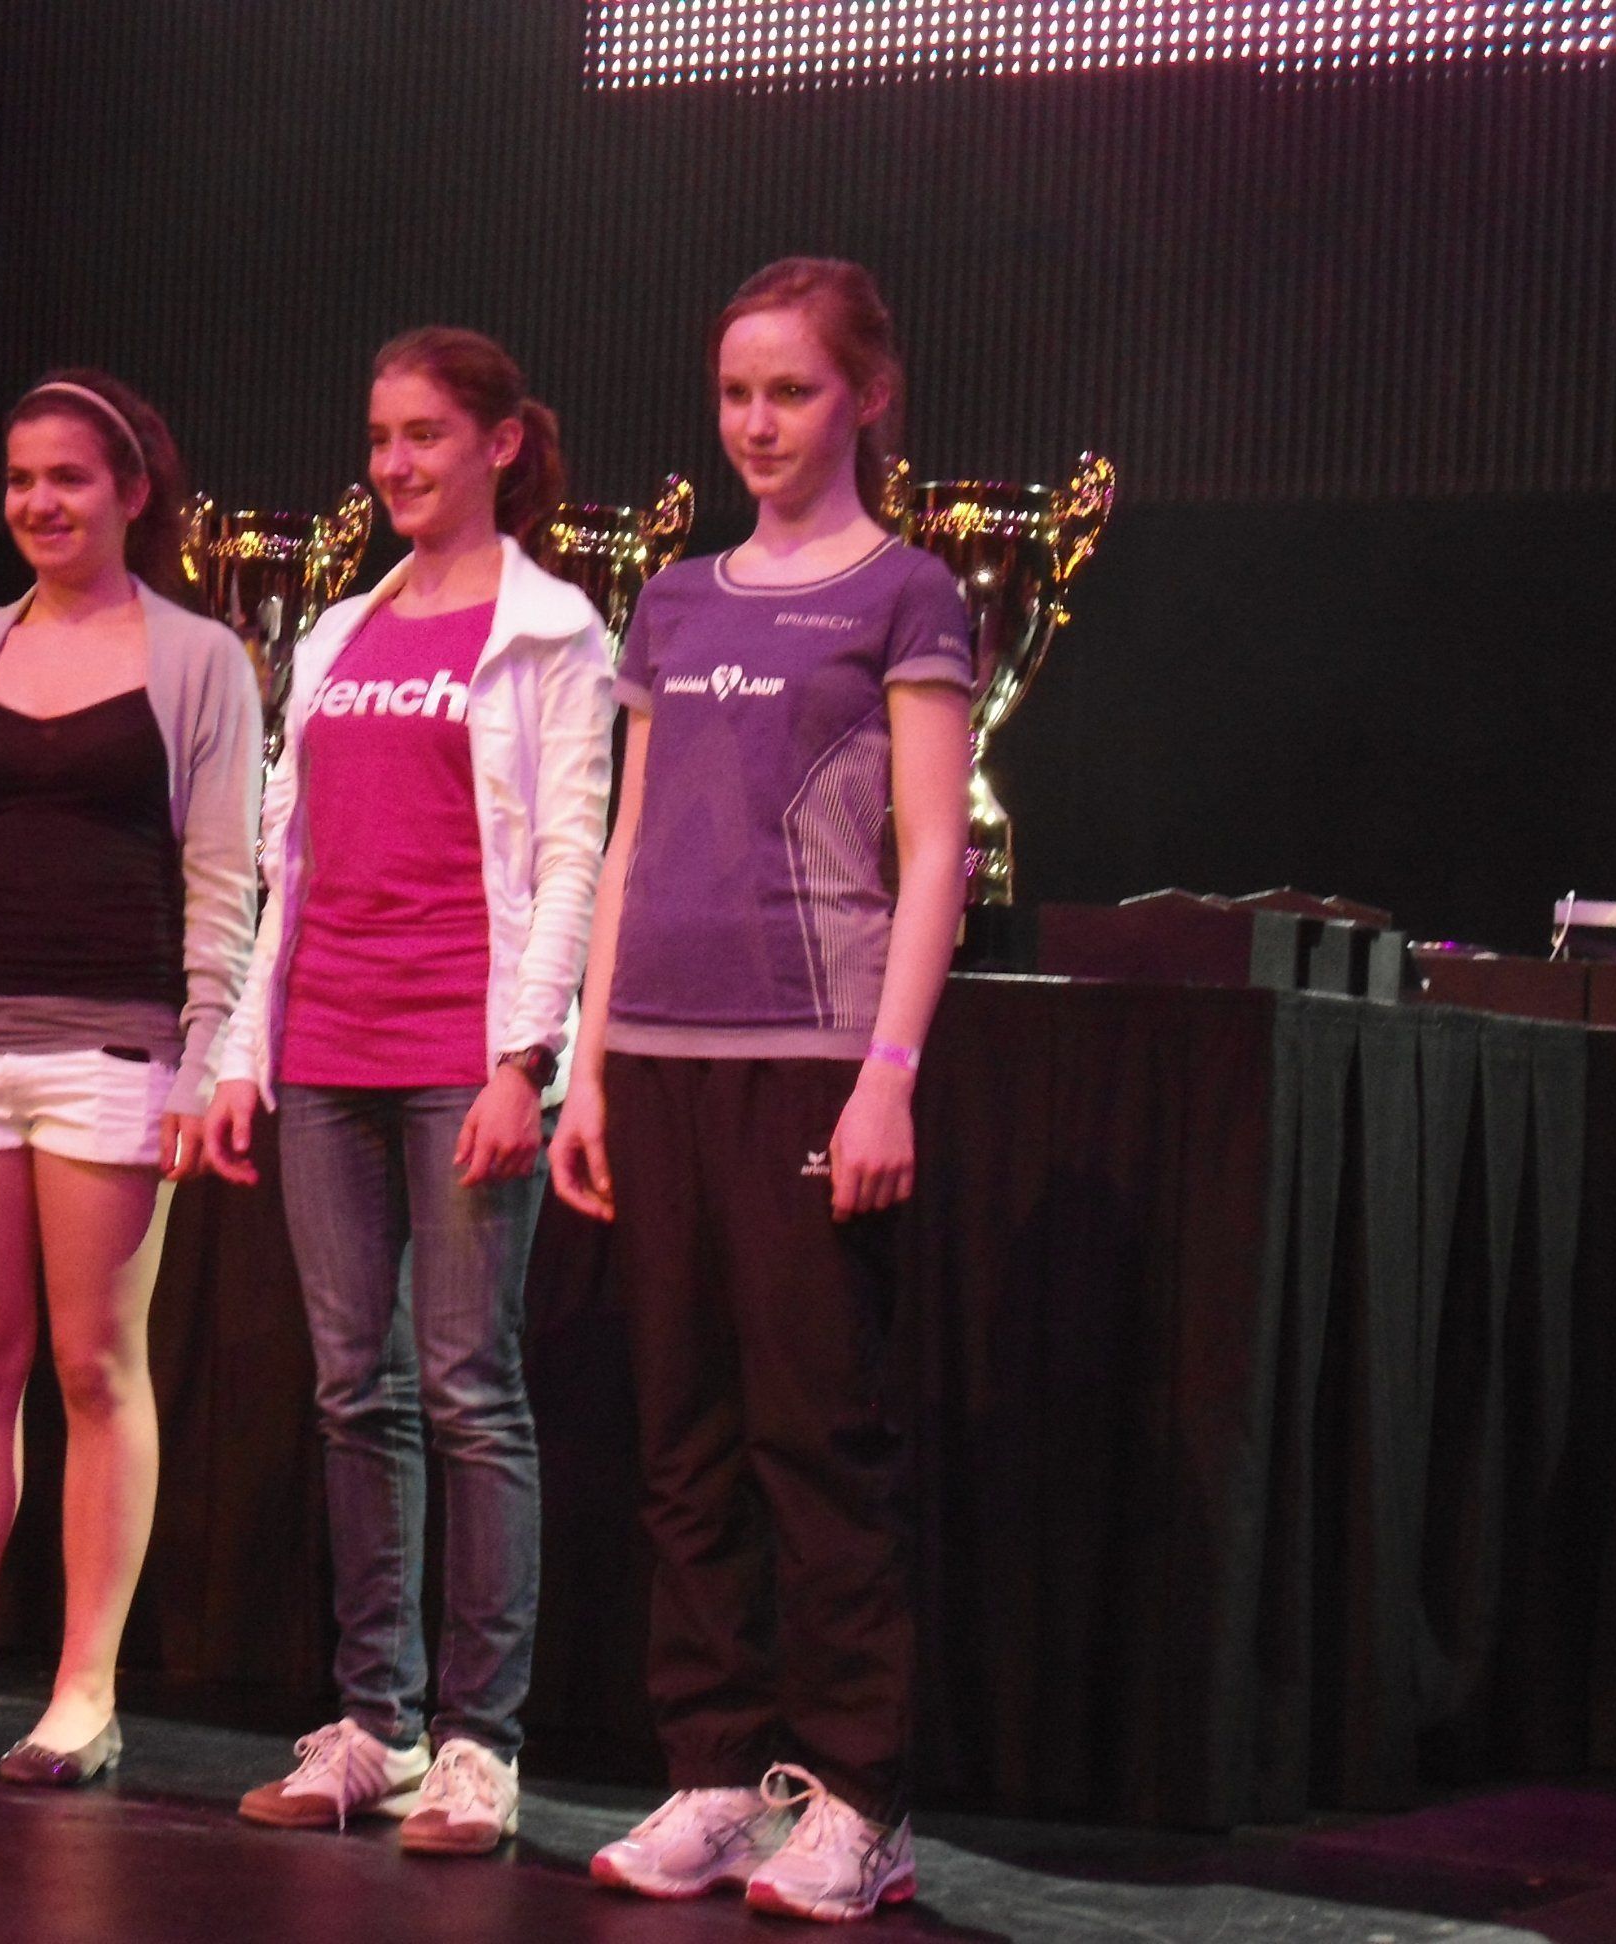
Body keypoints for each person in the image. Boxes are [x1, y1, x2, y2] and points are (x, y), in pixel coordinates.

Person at [549, 258, 972, 1922]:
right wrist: (587, 1067)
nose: (757, 422)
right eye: (736, 392)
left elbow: (932, 854)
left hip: (810, 1053)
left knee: (817, 1436)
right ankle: (715, 1774)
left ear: (865, 396)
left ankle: (858, 1797)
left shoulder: (907, 593)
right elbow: (626, 844)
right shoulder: (674, 598)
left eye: (790, 390)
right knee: (682, 1438)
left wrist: (887, 1073)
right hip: (657, 1058)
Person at [204, 328, 614, 1856]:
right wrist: (243, 1051)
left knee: (466, 1388)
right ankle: (372, 1723)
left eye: (426, 435)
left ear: (500, 444)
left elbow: (569, 858)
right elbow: (288, 860)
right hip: (326, 1047)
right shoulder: (336, 630)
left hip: (460, 1055)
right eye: (381, 437)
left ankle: (479, 1743)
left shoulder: (553, 630)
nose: (395, 465)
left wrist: (525, 1059)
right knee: (348, 1389)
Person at [0, 370, 259, 1787]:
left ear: (133, 491)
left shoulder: (200, 657)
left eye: (68, 477)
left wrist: (205, 1056)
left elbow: (223, 878)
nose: (39, 502)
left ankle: (86, 1689)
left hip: (114, 1050)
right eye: (20, 479)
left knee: (93, 1367)